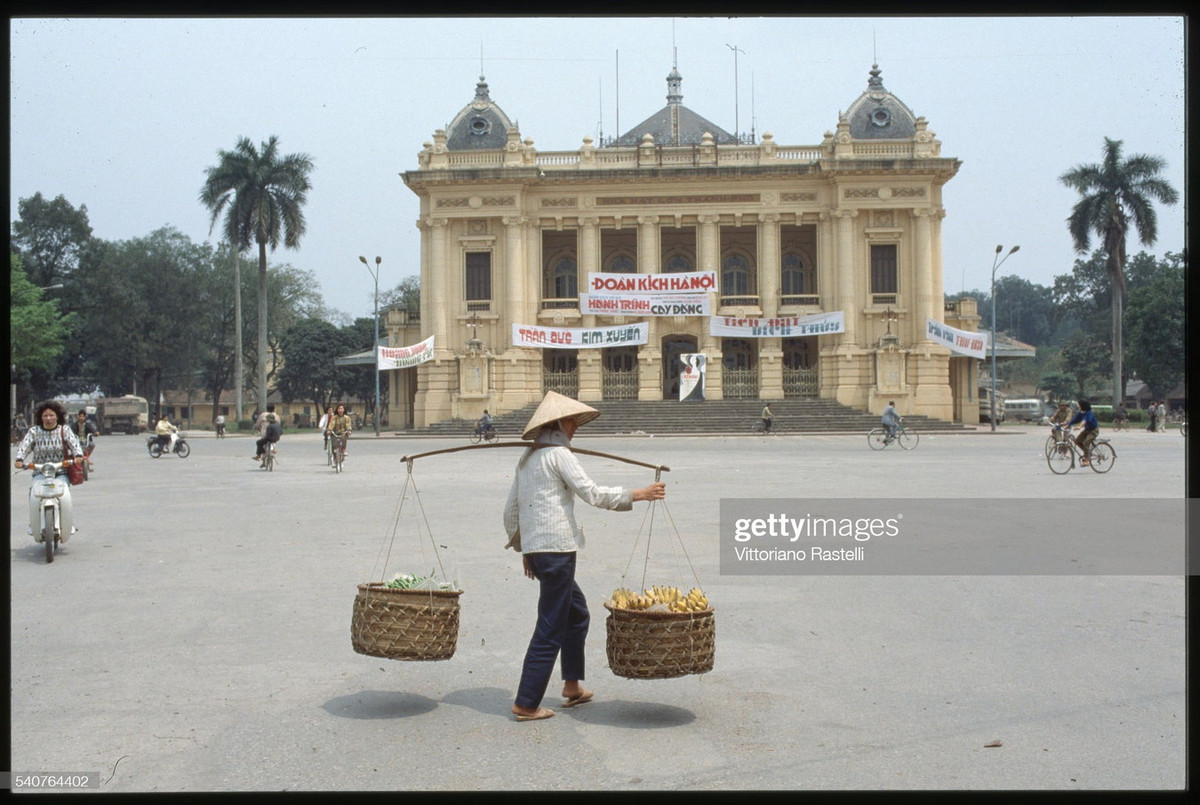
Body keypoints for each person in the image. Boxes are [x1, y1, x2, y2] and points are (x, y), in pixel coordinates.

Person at [503, 391, 666, 723]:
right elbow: (592, 493)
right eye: (573, 423)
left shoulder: (528, 457)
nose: (576, 429)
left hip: (540, 549)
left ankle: (572, 685)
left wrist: (525, 548)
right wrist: (639, 494)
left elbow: (511, 511)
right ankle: (526, 702)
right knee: (550, 625)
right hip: (558, 550)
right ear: (560, 424)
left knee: (576, 613)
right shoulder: (559, 454)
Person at [14, 399, 85, 539]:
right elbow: (25, 446)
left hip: (60, 472)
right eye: (45, 415)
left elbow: (75, 445)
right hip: (40, 472)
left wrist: (77, 455)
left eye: (51, 415)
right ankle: (33, 523)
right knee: (33, 495)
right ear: (40, 417)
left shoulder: (64, 430)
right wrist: (19, 459)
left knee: (65, 496)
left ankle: (67, 522)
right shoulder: (34, 431)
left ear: (57, 416)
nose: (48, 418)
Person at [1066, 398, 1100, 466]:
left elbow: (1085, 420)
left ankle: (1086, 460)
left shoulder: (1089, 413)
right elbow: (1075, 419)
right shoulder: (1081, 412)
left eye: (1078, 404)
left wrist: (1079, 426)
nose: (1077, 406)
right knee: (1077, 441)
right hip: (1087, 430)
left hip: (1093, 430)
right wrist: (1068, 425)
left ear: (1082, 405)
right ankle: (1087, 452)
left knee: (1086, 442)